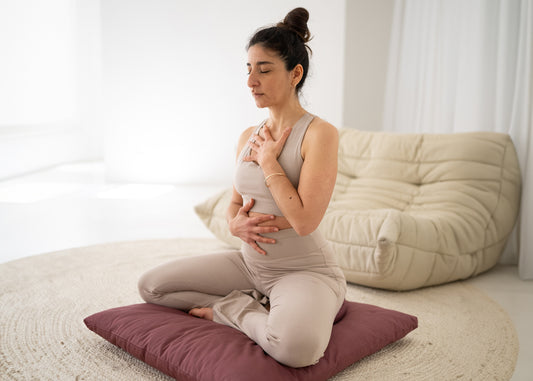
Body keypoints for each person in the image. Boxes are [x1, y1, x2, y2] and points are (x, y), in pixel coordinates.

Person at [138, 7, 346, 368]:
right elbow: (234, 205)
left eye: (264, 70)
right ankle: (254, 301)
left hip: (304, 270)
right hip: (250, 266)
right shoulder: (248, 136)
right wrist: (234, 224)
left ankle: (234, 309)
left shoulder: (319, 134)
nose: (251, 81)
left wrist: (269, 163)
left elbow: (305, 221)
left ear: (295, 74)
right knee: (152, 286)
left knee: (298, 350)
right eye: (248, 69)